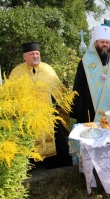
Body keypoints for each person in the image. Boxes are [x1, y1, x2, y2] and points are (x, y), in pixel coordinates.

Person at [9, 41, 73, 169]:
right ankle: (33, 169)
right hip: (29, 117)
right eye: (32, 54)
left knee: (58, 143)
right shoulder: (17, 72)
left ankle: (60, 167)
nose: (35, 56)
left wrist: (60, 106)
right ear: (24, 56)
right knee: (29, 143)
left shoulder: (47, 69)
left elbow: (58, 89)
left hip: (50, 115)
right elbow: (11, 95)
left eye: (37, 53)